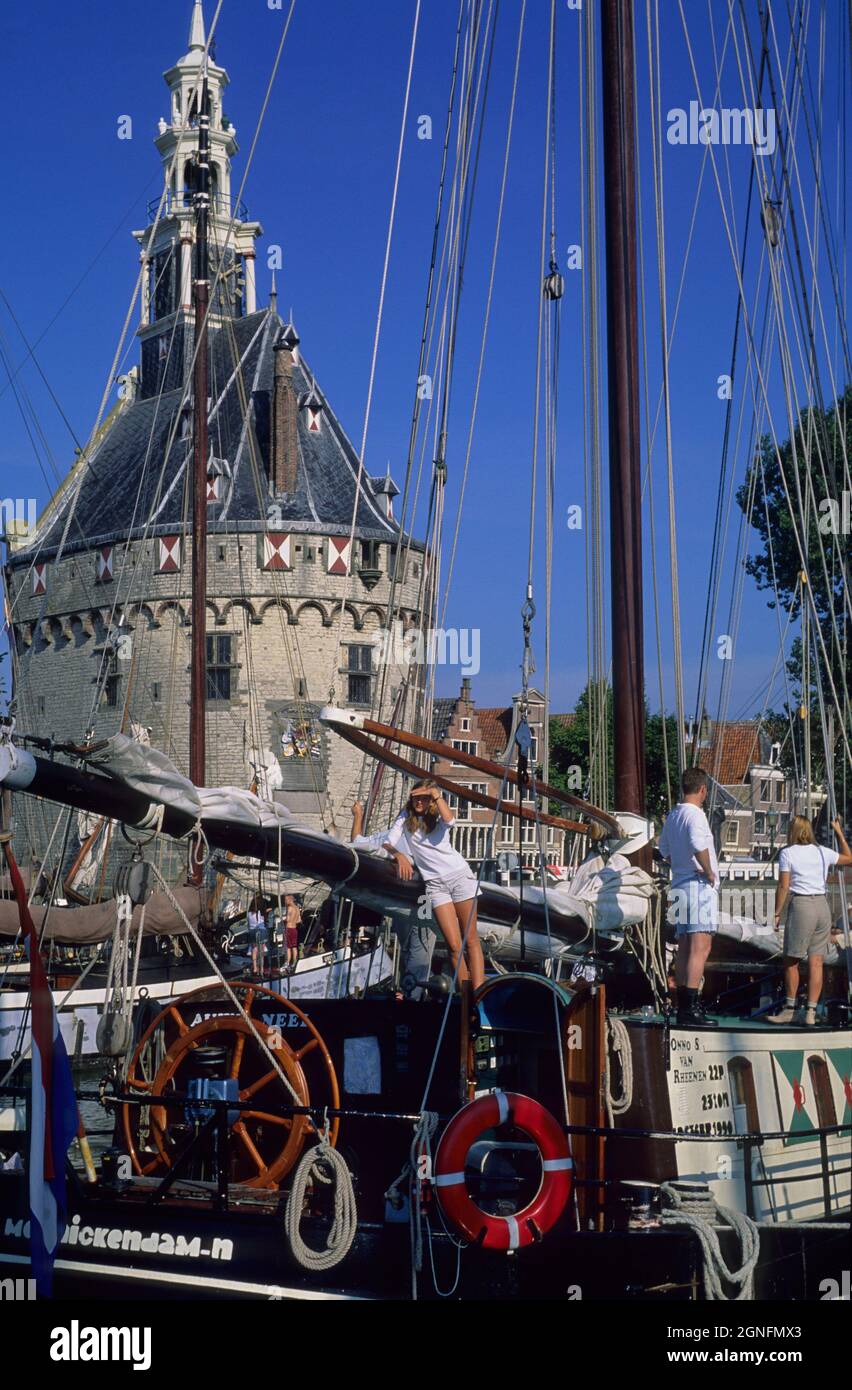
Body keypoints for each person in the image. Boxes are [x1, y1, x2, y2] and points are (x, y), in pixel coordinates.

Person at [384, 780, 485, 992]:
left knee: (471, 940)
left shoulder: (437, 814)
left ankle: (480, 994)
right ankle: (466, 997)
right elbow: (387, 842)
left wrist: (436, 795)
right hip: (435, 885)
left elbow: (450, 820)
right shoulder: (405, 817)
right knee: (454, 946)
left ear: (431, 799)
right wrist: (399, 855)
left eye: (423, 798)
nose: (419, 802)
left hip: (459, 877)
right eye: (415, 798)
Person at [768, 816, 852, 1025]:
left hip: (803, 905)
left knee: (791, 960)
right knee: (817, 962)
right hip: (822, 907)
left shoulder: (788, 853)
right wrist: (839, 832)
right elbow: (848, 858)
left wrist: (777, 912)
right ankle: (811, 1014)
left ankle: (790, 1009)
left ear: (793, 831)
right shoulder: (822, 851)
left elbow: (784, 886)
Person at [658, 767, 719, 1027]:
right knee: (701, 946)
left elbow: (663, 850)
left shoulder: (673, 815)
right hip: (698, 885)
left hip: (680, 882)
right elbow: (697, 843)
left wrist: (680, 865)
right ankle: (691, 1009)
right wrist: (709, 872)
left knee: (684, 946)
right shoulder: (696, 815)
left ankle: (683, 1005)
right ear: (702, 790)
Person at [247, 896, 268, 977]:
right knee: (261, 950)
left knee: (254, 949)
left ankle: (255, 967)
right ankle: (262, 968)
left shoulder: (249, 913)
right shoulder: (261, 912)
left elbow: (249, 924)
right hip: (261, 931)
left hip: (252, 931)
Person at [284, 893, 302, 971]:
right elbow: (299, 920)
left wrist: (283, 919)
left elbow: (287, 919)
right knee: (294, 947)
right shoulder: (297, 908)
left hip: (289, 929)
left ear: (289, 899)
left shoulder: (290, 908)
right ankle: (294, 962)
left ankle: (287, 962)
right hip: (294, 929)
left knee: (288, 947)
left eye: (285, 899)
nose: (285, 901)